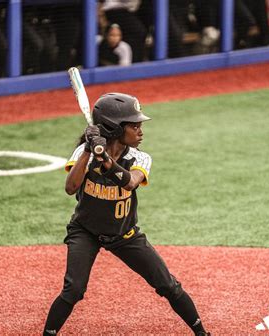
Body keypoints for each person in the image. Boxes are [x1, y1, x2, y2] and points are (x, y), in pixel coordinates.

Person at [42, 93, 210, 336]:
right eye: (135, 125)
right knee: (73, 290)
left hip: (125, 235)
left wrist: (107, 163)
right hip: (85, 232)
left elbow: (130, 183)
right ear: (113, 128)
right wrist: (89, 151)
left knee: (167, 285)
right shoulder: (85, 152)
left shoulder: (140, 157)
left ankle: (203, 333)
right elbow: (70, 188)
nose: (141, 131)